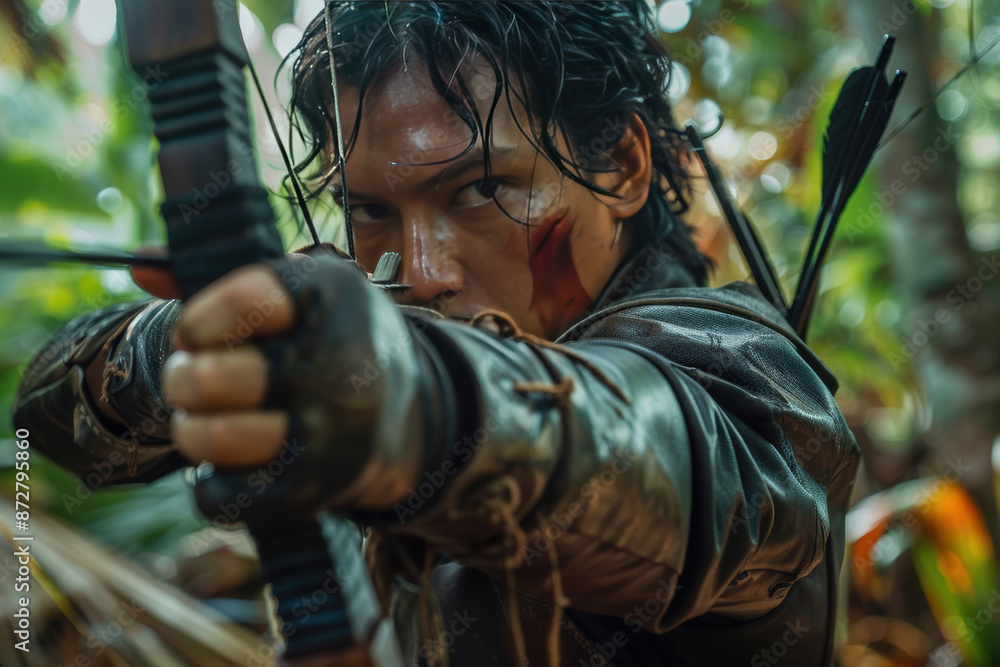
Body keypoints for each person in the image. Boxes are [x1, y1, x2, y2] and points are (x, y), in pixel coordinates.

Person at [13, 2, 859, 665]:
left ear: (622, 165)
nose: (420, 272)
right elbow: (45, 417)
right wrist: (179, 343)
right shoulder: (368, 350)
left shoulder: (747, 375)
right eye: (368, 210)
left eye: (483, 188)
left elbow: (650, 456)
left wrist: (417, 399)